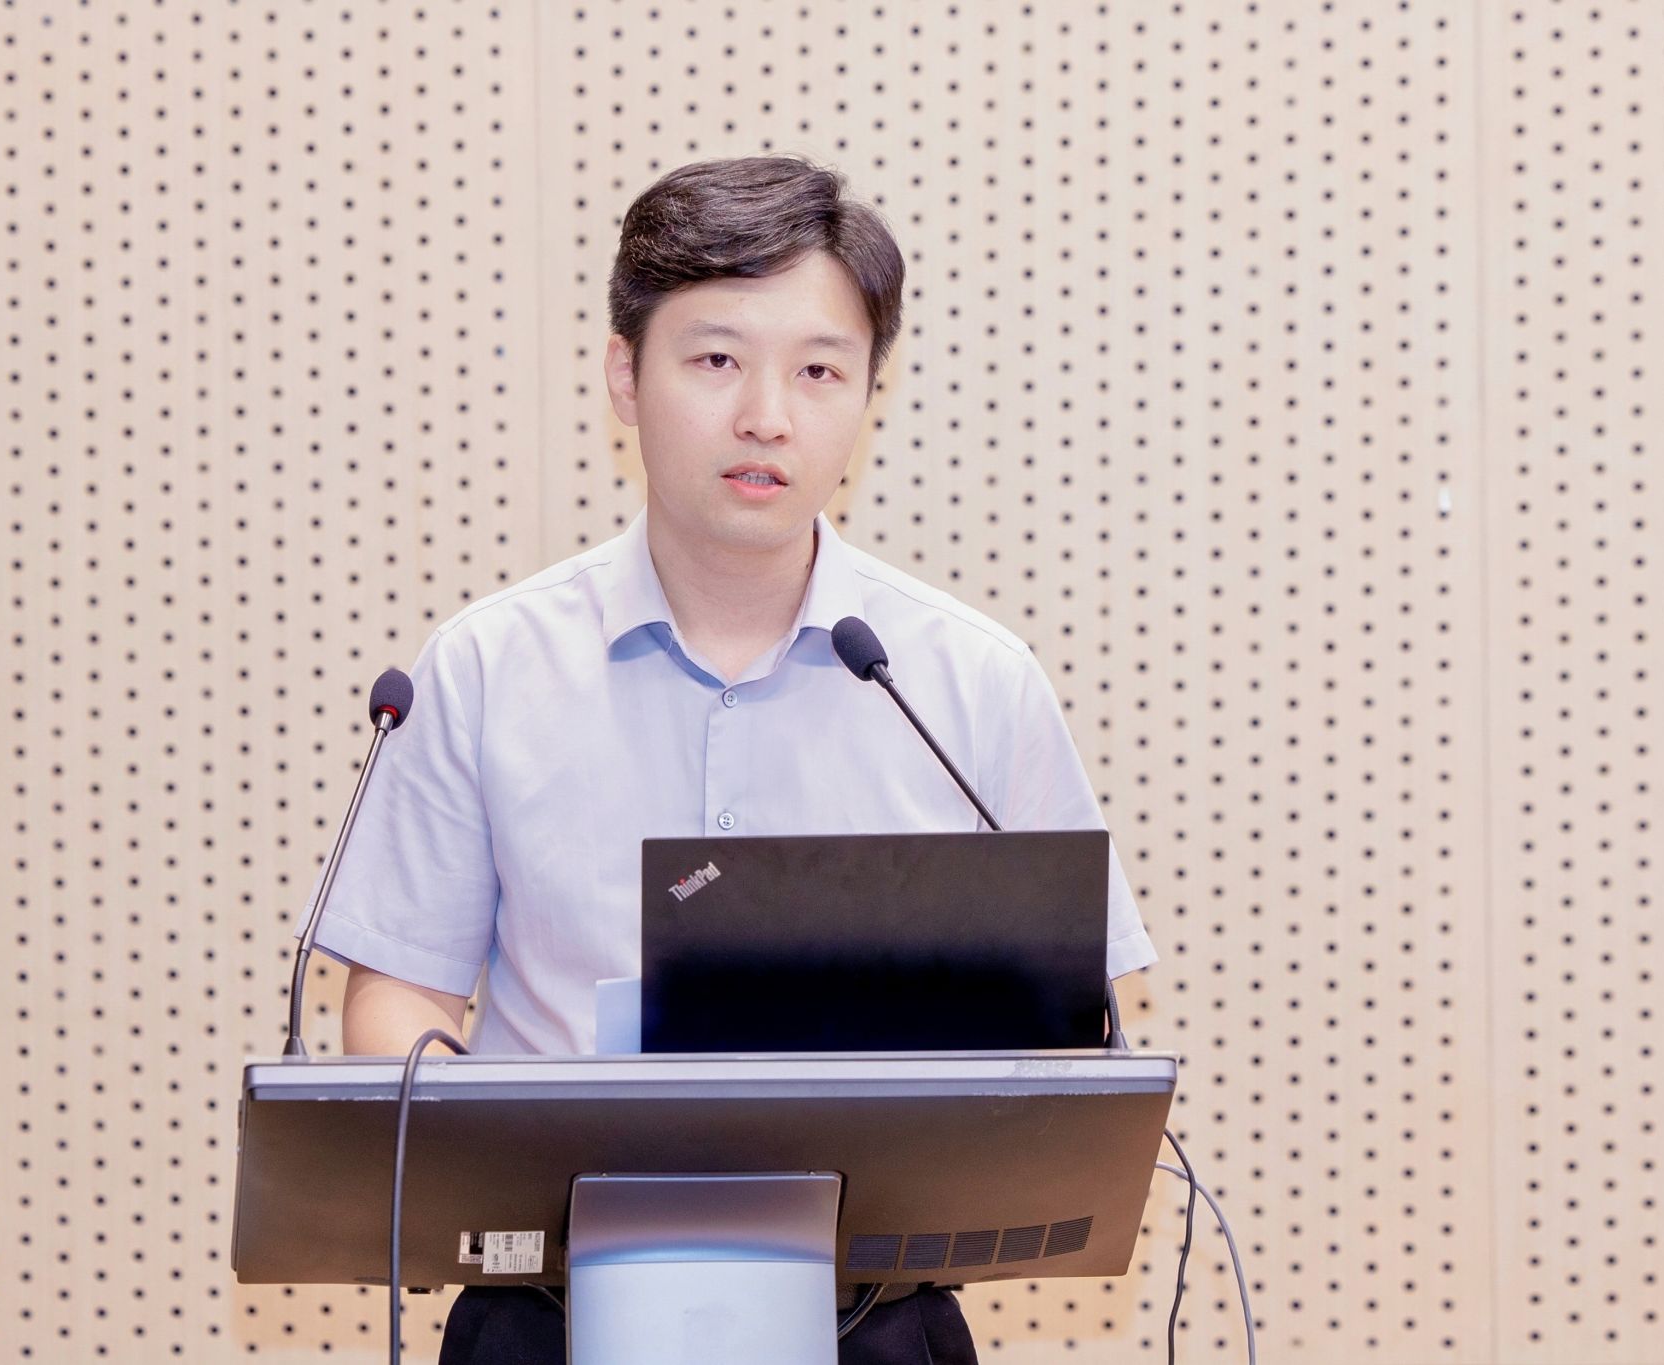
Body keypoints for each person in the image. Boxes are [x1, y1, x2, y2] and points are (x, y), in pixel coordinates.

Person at [295, 155, 1157, 1364]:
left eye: (818, 371)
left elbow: (1069, 1034)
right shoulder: (486, 668)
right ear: (623, 375)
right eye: (714, 360)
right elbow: (400, 993)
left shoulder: (965, 680)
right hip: (544, 1315)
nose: (766, 416)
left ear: (868, 394)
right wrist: (464, 1154)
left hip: (875, 1320)